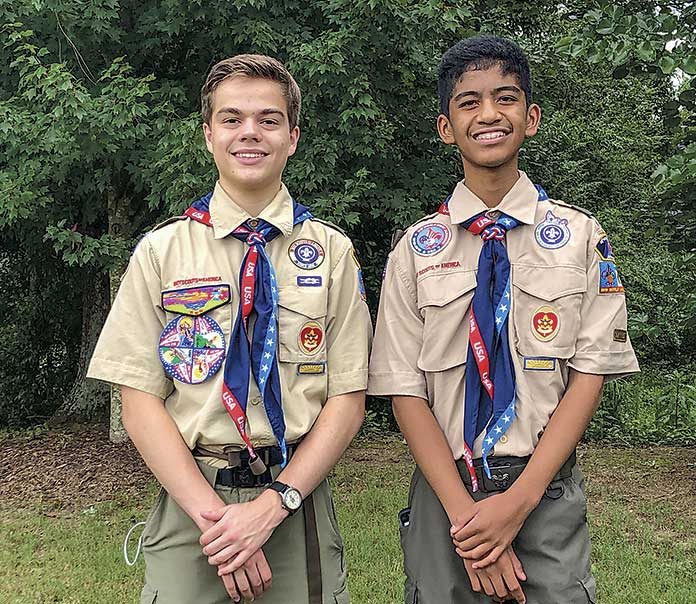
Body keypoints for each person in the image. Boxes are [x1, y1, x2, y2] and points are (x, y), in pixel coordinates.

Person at [88, 54, 371, 604]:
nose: (250, 132)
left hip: (295, 497)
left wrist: (272, 507)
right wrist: (218, 522)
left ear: (292, 137)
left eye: (269, 120)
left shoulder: (332, 253)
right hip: (194, 501)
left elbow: (348, 398)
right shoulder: (162, 252)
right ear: (208, 135)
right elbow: (138, 400)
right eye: (232, 118)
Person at [368, 35, 639, 604]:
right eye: (469, 102)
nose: (488, 114)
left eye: (505, 98)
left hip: (544, 490)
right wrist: (468, 521)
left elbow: (589, 374)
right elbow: (403, 390)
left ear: (531, 118)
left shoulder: (580, 238)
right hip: (447, 494)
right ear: (446, 127)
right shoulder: (415, 250)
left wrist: (519, 501)